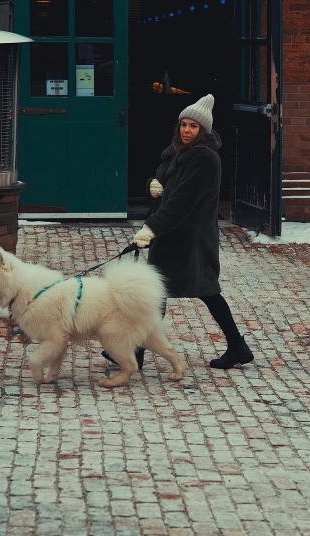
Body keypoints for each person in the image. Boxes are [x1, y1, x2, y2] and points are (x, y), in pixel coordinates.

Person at [103, 94, 254, 370]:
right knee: (157, 292)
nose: (186, 130)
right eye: (183, 124)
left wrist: (150, 229)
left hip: (191, 239)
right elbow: (165, 182)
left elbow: (181, 202)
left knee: (207, 291)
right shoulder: (179, 151)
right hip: (174, 236)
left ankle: (237, 346)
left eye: (193, 127)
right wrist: (153, 185)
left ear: (203, 130)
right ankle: (136, 351)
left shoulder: (205, 160)